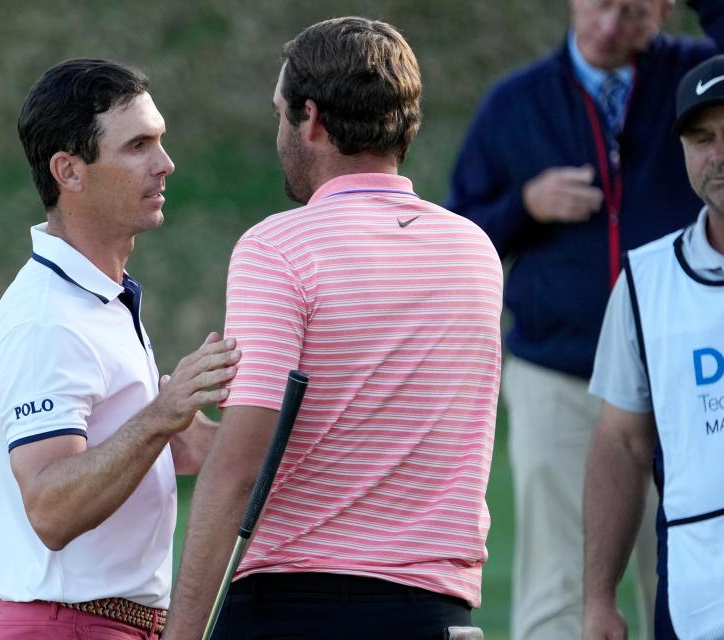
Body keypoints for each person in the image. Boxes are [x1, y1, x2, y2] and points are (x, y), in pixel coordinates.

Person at [162, 17, 503, 640]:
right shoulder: (473, 251)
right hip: (438, 615)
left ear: (312, 120)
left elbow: (242, 472)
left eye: (279, 115)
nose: (278, 134)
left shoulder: (280, 249)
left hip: (299, 610)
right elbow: (370, 436)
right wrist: (208, 442)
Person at [447, 1, 724, 637]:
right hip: (560, 375)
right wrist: (524, 205)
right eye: (599, 5)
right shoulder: (517, 101)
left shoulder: (696, 80)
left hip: (685, 373)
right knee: (559, 589)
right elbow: (459, 234)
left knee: (685, 571)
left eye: (631, 11)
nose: (608, 27)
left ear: (663, 8)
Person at [0, 58, 241, 639]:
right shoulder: (47, 321)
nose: (165, 164)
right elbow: (51, 507)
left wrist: (251, 432)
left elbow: (165, 456)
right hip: (62, 629)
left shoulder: (99, 300)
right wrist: (161, 416)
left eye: (160, 141)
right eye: (138, 145)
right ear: (69, 170)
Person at [584, 54, 724, 640]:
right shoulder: (646, 282)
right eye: (702, 138)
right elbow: (621, 440)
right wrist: (598, 599)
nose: (718, 155)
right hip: (699, 597)